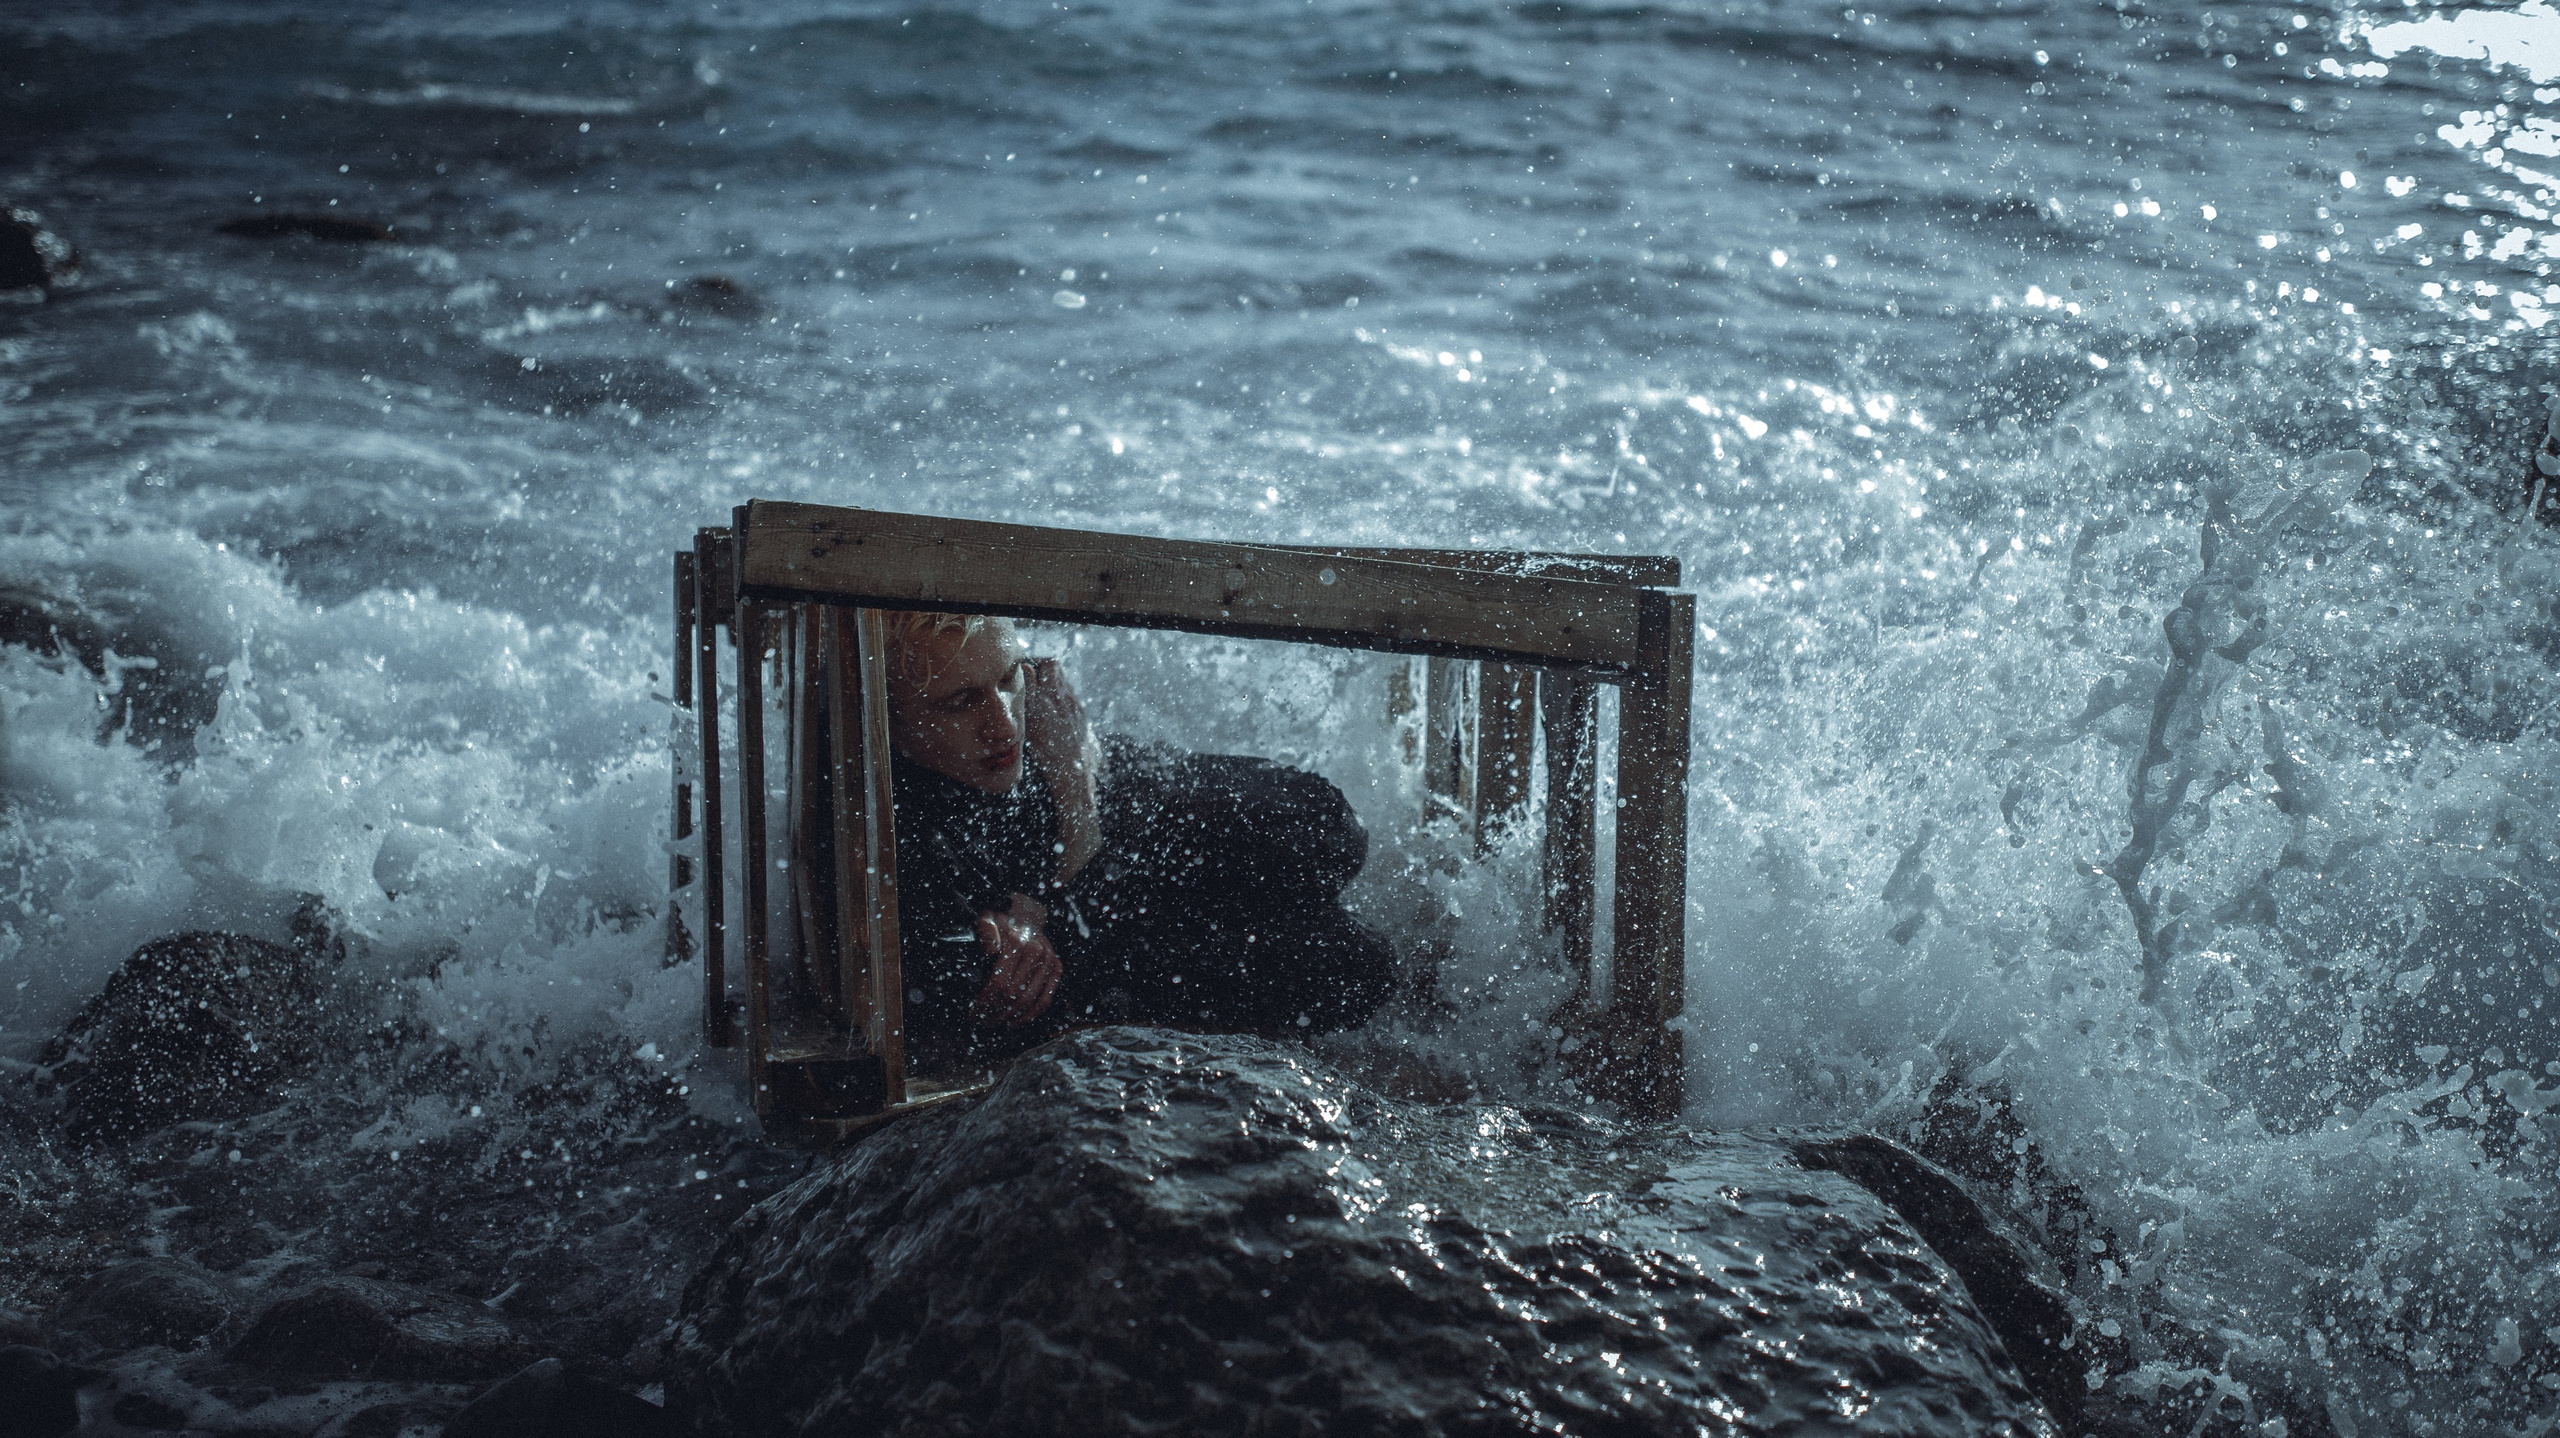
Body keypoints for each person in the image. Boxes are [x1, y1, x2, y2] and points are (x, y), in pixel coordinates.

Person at [881, 611, 1398, 1062]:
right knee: (1353, 967)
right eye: (961, 702)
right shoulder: (901, 829)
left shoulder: (1025, 725)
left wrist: (1071, 776)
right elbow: (974, 990)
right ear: (892, 721)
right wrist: (1069, 793)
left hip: (1117, 792)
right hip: (1113, 907)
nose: (1003, 724)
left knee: (1322, 828)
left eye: (1010, 677)